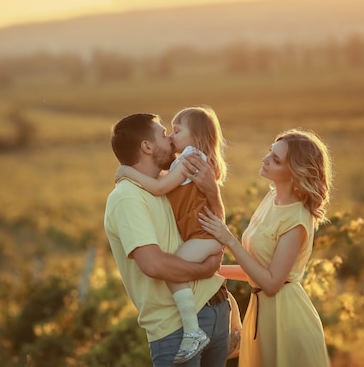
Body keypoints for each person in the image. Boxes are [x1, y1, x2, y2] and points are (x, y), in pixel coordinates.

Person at [190, 128, 333, 367]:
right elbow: (255, 270)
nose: (265, 159)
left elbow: (271, 283)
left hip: (285, 317)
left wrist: (229, 239)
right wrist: (211, 271)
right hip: (262, 312)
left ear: (294, 172)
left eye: (276, 160)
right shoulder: (271, 199)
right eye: (270, 152)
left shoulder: (297, 218)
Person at [104, 113, 230, 367]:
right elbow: (154, 265)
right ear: (147, 147)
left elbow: (216, 228)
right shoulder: (128, 198)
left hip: (216, 312)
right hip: (176, 328)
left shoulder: (169, 184)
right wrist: (205, 269)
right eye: (163, 134)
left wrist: (213, 194)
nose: (170, 139)